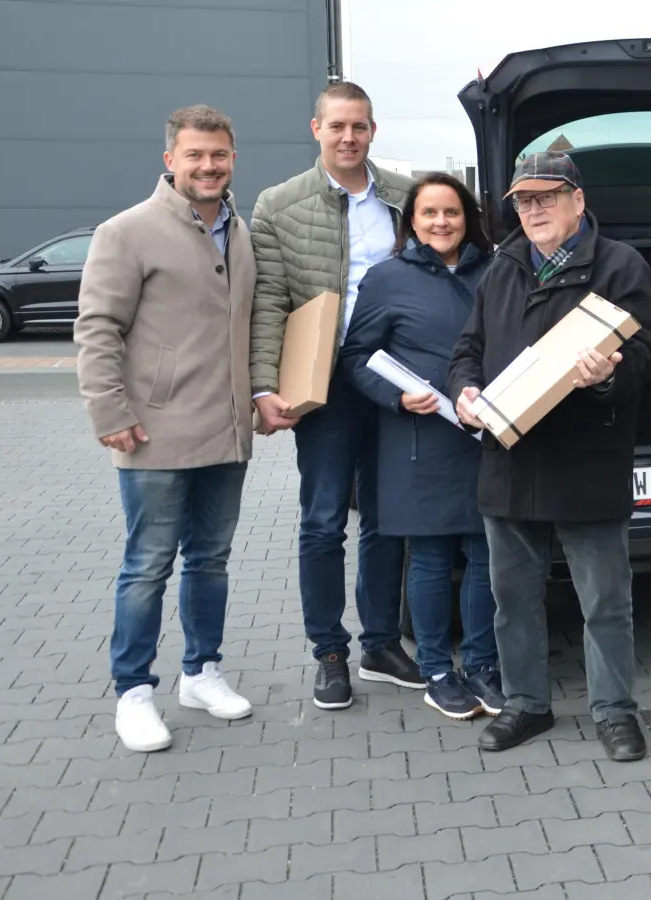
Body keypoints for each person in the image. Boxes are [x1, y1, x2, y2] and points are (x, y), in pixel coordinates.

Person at [451, 151, 651, 761]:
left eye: (547, 197)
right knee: (513, 598)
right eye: (523, 200)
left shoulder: (620, 267)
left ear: (578, 200)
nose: (534, 210)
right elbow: (468, 347)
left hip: (585, 460)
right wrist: (464, 388)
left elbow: (646, 356)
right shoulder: (503, 267)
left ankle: (616, 710)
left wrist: (604, 378)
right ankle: (526, 704)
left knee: (604, 600)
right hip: (509, 461)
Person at [74, 105, 257, 751]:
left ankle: (201, 672)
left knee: (210, 560)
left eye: (220, 155)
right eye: (195, 155)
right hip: (152, 433)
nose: (208, 166)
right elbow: (97, 327)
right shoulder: (126, 232)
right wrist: (110, 410)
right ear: (170, 160)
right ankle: (133, 692)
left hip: (228, 432)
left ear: (233, 157)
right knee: (148, 564)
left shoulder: (241, 230)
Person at [247, 82, 419, 710]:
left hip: (394, 379)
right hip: (322, 383)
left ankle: (379, 642)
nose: (350, 137)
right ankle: (329, 651)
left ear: (374, 130)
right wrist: (265, 386)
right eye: (338, 126)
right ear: (315, 128)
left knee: (385, 516)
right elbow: (267, 301)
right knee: (323, 520)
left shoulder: (405, 196)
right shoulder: (278, 205)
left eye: (361, 126)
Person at [338, 173, 502, 721]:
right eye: (428, 213)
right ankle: (436, 670)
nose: (440, 222)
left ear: (467, 217)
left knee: (484, 554)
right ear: (412, 220)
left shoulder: (498, 271)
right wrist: (397, 397)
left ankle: (481, 665)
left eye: (451, 212)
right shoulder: (387, 279)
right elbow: (356, 356)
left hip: (484, 436)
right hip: (420, 436)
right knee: (430, 558)